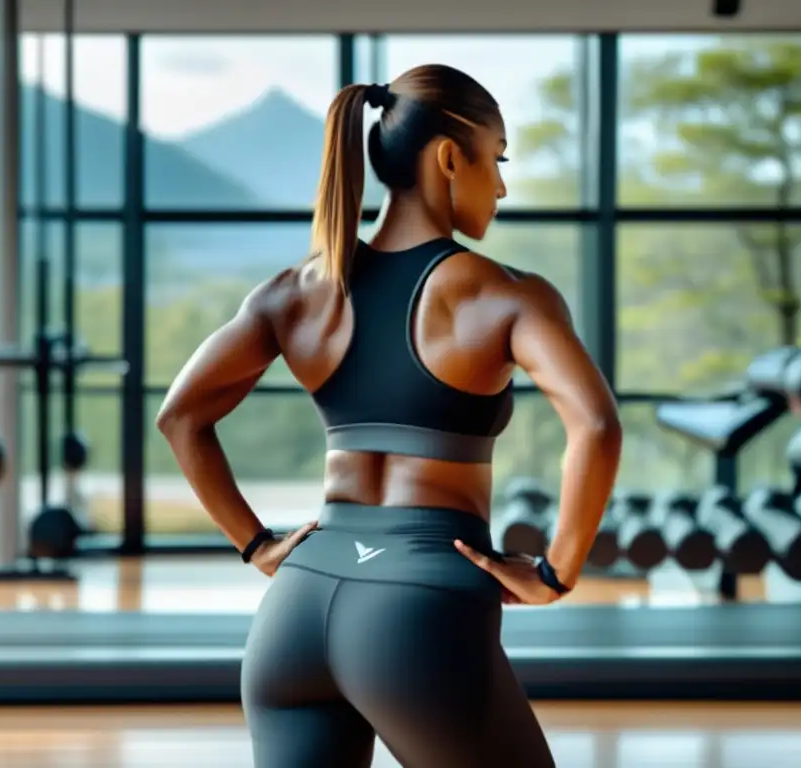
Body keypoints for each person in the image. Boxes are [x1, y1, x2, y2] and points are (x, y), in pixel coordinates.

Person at [156, 64, 622, 768]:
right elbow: (595, 425)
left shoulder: (297, 292)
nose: (499, 185)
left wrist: (256, 546)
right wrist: (557, 572)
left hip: (295, 616)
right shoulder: (502, 294)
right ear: (446, 157)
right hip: (417, 610)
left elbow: (180, 416)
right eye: (495, 159)